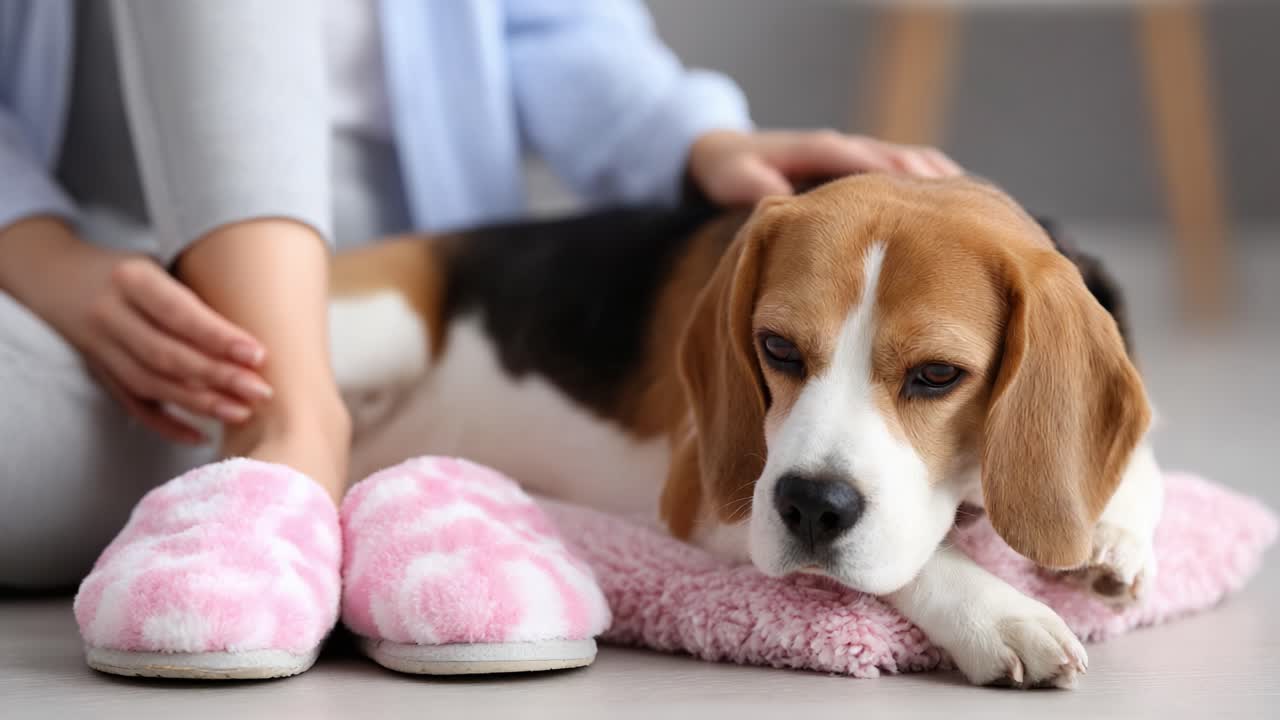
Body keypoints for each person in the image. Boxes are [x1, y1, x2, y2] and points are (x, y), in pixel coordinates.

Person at [0, 0, 961, 677]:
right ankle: (382, 490)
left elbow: (549, 20)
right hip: (84, 287)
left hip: (410, 283)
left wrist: (693, 137)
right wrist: (37, 249)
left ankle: (295, 443)